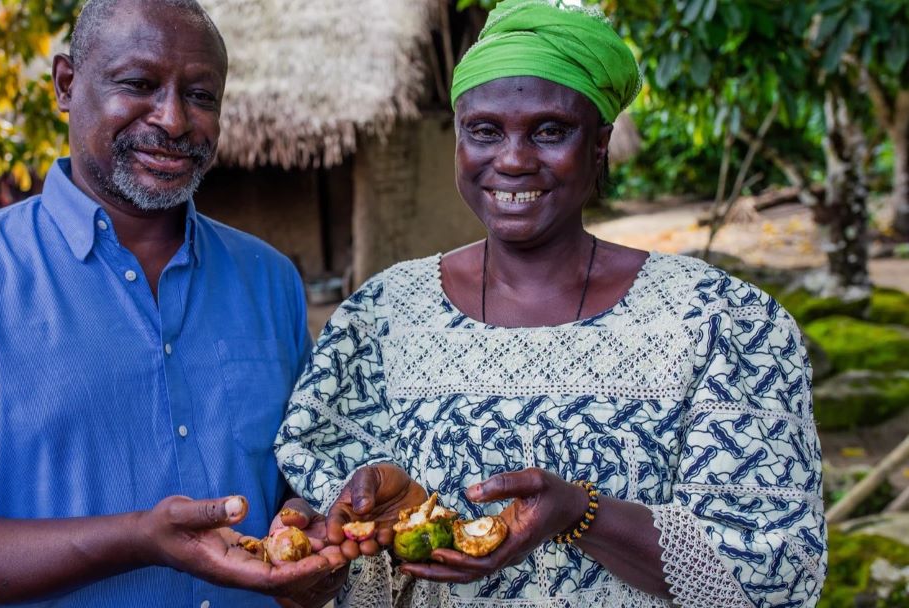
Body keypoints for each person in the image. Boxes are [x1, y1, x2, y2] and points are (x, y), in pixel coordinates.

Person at [275, 1, 827, 606]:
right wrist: (338, 532)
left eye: (550, 131)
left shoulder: (723, 323)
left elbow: (773, 572)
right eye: (484, 131)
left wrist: (580, 513)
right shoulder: (381, 317)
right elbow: (318, 561)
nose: (512, 159)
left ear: (599, 145)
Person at [0, 0, 348, 606]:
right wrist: (137, 539)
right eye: (138, 84)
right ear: (65, 84)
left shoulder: (269, 279)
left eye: (202, 95)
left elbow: (297, 477)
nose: (174, 119)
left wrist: (309, 527)